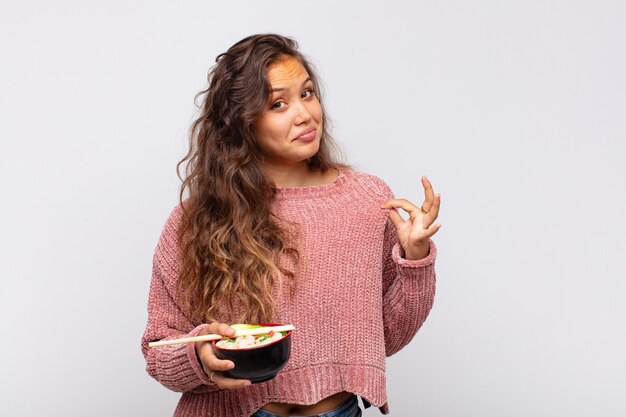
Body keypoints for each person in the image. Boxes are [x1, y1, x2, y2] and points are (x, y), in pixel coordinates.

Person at [141, 33, 441, 417]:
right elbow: (157, 348)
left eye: (308, 93)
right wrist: (198, 355)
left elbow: (385, 336)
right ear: (242, 123)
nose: (304, 114)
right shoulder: (196, 219)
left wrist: (415, 259)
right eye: (278, 104)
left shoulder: (366, 200)